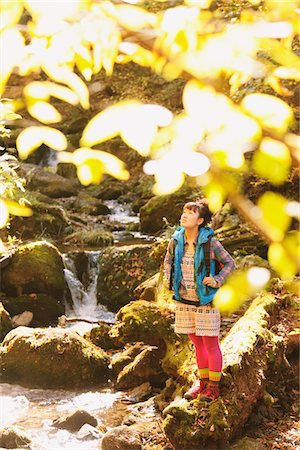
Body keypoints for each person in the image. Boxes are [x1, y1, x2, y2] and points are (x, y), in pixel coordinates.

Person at [164, 199, 235, 402]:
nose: (185, 215)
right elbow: (168, 263)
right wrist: (171, 287)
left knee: (210, 343)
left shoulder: (210, 243)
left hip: (206, 300)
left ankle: (214, 387)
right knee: (197, 343)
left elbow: (230, 263)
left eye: (191, 213)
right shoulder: (176, 241)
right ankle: (202, 383)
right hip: (184, 301)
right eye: (184, 212)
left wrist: (217, 280)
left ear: (201, 220)